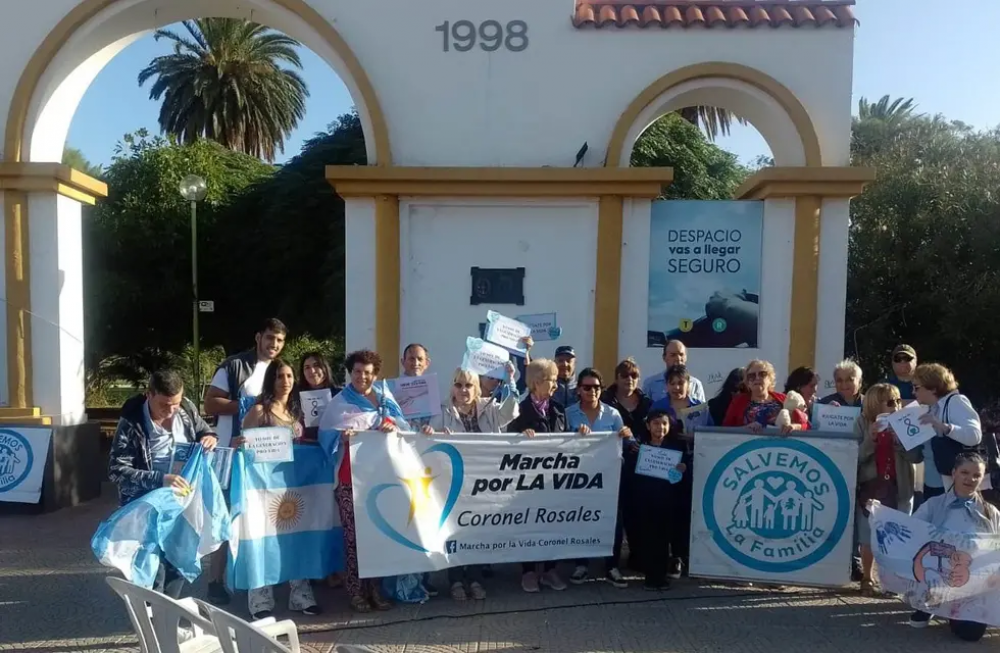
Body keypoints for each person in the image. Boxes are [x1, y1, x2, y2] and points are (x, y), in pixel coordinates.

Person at [107, 369, 218, 598]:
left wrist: (209, 436)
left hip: (181, 501)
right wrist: (160, 479)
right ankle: (152, 620)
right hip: (146, 505)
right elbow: (116, 470)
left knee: (178, 561)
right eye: (163, 405)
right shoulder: (133, 421)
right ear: (149, 395)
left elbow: (203, 430)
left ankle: (168, 616)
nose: (170, 412)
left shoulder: (186, 408)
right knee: (152, 569)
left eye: (174, 404)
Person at [202, 317, 287, 604]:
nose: (273, 344)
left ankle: (261, 578)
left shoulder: (280, 371)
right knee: (226, 518)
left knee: (265, 518)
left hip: (266, 460)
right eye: (269, 338)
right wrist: (251, 405)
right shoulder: (234, 365)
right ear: (258, 337)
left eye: (279, 340)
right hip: (231, 454)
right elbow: (210, 403)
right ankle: (215, 580)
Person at [318, 350, 406, 613]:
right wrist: (340, 438)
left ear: (375, 375)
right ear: (351, 373)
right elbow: (325, 434)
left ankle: (375, 589)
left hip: (379, 479)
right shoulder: (339, 402)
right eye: (357, 372)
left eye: (367, 372)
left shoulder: (384, 399)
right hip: (349, 480)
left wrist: (392, 424)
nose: (362, 377)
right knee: (353, 538)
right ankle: (356, 591)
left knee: (377, 535)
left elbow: (404, 426)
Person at [422, 364, 519, 600]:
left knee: (478, 531)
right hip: (453, 483)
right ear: (452, 388)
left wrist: (512, 380)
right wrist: (427, 432)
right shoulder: (442, 412)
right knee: (453, 532)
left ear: (476, 388)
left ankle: (475, 578)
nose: (463, 390)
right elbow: (427, 442)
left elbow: (512, 412)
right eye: (458, 384)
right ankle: (455, 581)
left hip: (484, 482)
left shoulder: (490, 408)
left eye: (468, 385)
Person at [238, 359, 320, 620]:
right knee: (263, 538)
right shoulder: (260, 410)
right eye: (280, 377)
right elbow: (243, 447)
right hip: (263, 488)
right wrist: (241, 443)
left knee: (295, 538)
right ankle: (260, 598)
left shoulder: (298, 411)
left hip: (294, 486)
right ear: (271, 381)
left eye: (289, 376)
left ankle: (300, 594)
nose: (285, 382)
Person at [902, 452, 1000, 640]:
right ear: (954, 473)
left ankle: (953, 610)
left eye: (976, 475)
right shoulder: (934, 505)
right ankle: (927, 605)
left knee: (970, 634)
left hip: (972, 585)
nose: (970, 479)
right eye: (964, 472)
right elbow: (911, 531)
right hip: (935, 578)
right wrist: (878, 513)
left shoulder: (990, 512)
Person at [565, 368, 634, 588]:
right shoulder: (569, 414)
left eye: (596, 387)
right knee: (580, 517)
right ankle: (581, 564)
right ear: (579, 390)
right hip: (580, 477)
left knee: (613, 519)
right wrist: (574, 437)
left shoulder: (613, 414)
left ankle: (611, 565)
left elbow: (627, 445)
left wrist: (627, 435)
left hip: (608, 477)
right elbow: (558, 446)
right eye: (587, 387)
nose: (592, 391)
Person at [507, 358, 569, 593]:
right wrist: (520, 435)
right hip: (527, 481)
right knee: (530, 523)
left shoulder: (559, 410)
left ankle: (550, 570)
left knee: (553, 521)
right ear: (535, 383)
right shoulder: (519, 411)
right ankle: (529, 571)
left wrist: (583, 435)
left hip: (554, 479)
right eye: (551, 380)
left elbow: (567, 440)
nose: (555, 385)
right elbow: (507, 440)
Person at [853, 383, 920, 596]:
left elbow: (916, 456)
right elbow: (854, 456)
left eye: (898, 401)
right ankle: (867, 577)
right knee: (867, 535)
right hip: (871, 486)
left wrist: (900, 441)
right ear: (875, 404)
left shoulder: (905, 422)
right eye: (891, 402)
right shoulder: (862, 422)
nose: (897, 405)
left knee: (897, 536)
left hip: (900, 487)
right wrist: (870, 439)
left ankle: (891, 580)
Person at [601, 358, 653, 569]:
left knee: (637, 509)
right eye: (624, 375)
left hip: (642, 462)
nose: (629, 380)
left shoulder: (647, 402)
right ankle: (609, 557)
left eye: (634, 376)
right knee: (615, 510)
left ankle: (636, 553)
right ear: (617, 378)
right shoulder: (605, 400)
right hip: (613, 463)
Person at [632, 409, 691, 590]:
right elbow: (633, 478)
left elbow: (675, 481)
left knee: (663, 540)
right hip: (644, 502)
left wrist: (681, 469)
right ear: (648, 426)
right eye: (656, 424)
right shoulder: (639, 448)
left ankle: (660, 576)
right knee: (648, 540)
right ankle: (650, 576)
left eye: (664, 423)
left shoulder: (675, 449)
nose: (660, 427)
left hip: (667, 502)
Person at [912, 363, 983, 501]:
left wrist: (943, 426)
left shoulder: (955, 402)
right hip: (931, 483)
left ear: (933, 388)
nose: (913, 392)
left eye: (916, 387)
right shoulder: (931, 409)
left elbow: (975, 436)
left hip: (951, 485)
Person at [724, 360, 809, 432]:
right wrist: (745, 429)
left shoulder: (784, 399)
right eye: (752, 376)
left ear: (770, 379)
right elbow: (725, 429)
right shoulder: (738, 401)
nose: (757, 378)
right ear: (747, 382)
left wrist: (794, 427)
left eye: (762, 374)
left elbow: (806, 425)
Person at [650, 365, 713, 434]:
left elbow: (710, 433)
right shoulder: (658, 406)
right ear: (666, 385)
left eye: (680, 383)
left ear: (688, 384)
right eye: (672, 383)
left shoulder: (700, 407)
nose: (676, 387)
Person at [298, 352, 341, 442]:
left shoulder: (340, 395)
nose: (312, 371)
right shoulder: (295, 396)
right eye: (307, 367)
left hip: (333, 446)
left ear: (325, 368)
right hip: (306, 447)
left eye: (316, 365)